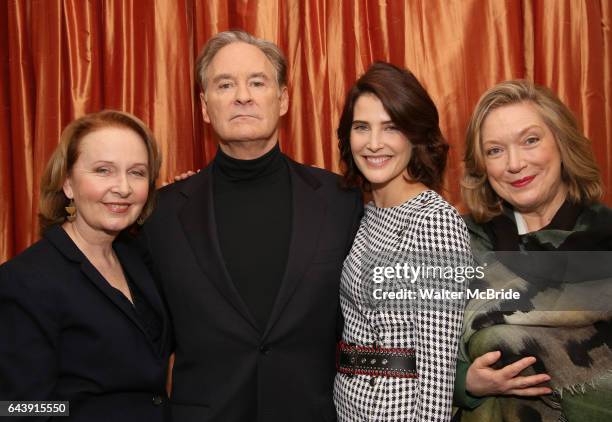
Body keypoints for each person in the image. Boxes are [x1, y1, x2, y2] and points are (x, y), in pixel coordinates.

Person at [139, 30, 362, 422]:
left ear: (284, 99)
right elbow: (140, 345)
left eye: (257, 82)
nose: (243, 95)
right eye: (225, 84)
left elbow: (375, 325)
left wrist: (457, 376)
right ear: (205, 107)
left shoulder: (341, 200)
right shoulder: (161, 215)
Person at [455, 80, 612, 421]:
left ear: (561, 142)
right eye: (495, 150)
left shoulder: (607, 236)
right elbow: (421, 345)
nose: (515, 163)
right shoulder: (459, 241)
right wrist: (463, 382)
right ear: (482, 166)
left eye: (530, 141)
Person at [0, 110, 172, 421]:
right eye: (103, 170)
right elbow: (19, 409)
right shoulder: (25, 280)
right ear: (67, 183)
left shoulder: (138, 258)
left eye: (137, 172)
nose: (123, 187)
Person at [333, 62, 472, 421]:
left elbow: (437, 366)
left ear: (415, 134)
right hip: (348, 407)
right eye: (362, 127)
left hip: (398, 411)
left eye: (391, 127)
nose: (374, 143)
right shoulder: (365, 214)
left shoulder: (434, 221)